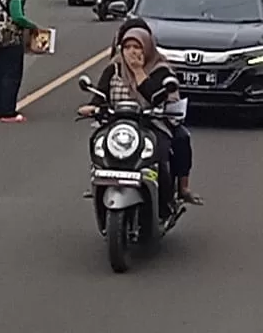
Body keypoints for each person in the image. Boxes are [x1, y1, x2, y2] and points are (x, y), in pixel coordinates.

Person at [83, 21, 201, 206]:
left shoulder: (160, 69)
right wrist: (92, 107)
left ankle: (177, 191)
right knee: (97, 140)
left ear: (147, 48)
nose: (132, 52)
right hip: (119, 123)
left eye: (137, 47)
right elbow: (100, 95)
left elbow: (155, 97)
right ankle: (99, 183)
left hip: (152, 123)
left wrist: (138, 71)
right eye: (127, 47)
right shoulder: (114, 69)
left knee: (176, 142)